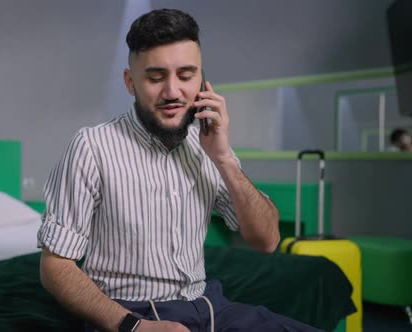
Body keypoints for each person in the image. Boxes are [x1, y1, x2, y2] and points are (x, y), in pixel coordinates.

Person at [38, 8, 322, 332]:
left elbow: (267, 240)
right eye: (156, 77)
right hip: (130, 314)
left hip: (209, 306)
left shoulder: (209, 145)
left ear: (202, 79)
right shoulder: (91, 147)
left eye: (186, 76)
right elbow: (55, 266)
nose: (172, 92)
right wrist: (133, 326)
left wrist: (224, 158)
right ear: (131, 83)